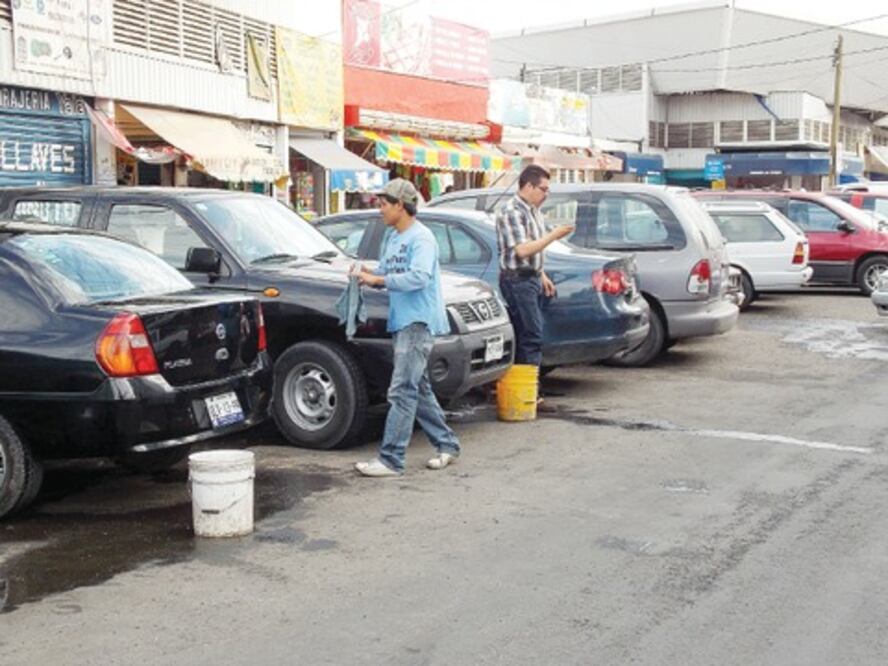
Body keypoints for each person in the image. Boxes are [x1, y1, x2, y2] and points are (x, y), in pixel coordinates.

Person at [352, 179, 461, 477]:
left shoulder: (421, 238)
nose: (380, 209)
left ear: (401, 205)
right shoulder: (394, 237)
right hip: (402, 322)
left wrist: (378, 281)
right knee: (418, 388)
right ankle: (447, 444)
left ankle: (391, 459)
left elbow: (419, 277)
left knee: (401, 390)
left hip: (418, 322)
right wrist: (365, 274)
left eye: (384, 204)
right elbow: (386, 269)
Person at [495, 165, 575, 367]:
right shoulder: (512, 211)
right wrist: (554, 235)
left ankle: (527, 389)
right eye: (543, 189)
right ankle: (527, 392)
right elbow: (522, 250)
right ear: (529, 186)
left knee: (530, 335)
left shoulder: (534, 212)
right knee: (531, 336)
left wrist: (541, 274)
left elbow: (534, 251)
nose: (546, 195)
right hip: (517, 280)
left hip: (530, 278)